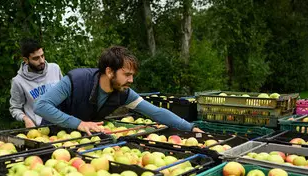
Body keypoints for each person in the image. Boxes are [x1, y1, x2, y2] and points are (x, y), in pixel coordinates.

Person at [34, 46, 203, 135]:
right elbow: (41, 106)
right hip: (51, 134)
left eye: (132, 75)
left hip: (80, 138)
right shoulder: (76, 80)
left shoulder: (124, 93)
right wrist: (78, 123)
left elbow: (156, 113)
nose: (131, 80)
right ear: (109, 71)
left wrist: (189, 127)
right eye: (127, 75)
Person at [9, 38, 63, 128]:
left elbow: (65, 94)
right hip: (40, 130)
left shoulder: (55, 69)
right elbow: (15, 108)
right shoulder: (18, 81)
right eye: (36, 58)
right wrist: (26, 119)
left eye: (42, 56)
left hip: (62, 123)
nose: (41, 61)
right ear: (26, 60)